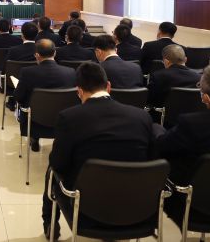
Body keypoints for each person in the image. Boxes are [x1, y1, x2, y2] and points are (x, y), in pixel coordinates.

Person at [43, 61, 155, 240]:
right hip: (136, 207)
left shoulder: (69, 117)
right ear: (108, 86)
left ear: (79, 91)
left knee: (51, 170)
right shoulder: (141, 116)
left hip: (86, 211)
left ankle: (50, 224)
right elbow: (151, 158)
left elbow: (58, 163)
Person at [14, 39, 76, 151]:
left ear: (37, 55)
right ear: (55, 53)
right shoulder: (70, 72)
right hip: (63, 120)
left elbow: (18, 97)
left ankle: (34, 138)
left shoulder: (27, 72)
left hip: (35, 121)